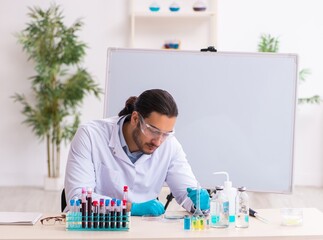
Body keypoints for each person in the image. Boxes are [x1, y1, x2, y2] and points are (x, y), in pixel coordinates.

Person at [64, 89, 209, 216]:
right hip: (93, 228)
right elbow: (77, 200)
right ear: (135, 118)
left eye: (166, 134)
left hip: (142, 230)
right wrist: (129, 208)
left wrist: (198, 203)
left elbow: (186, 193)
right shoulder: (90, 135)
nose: (158, 142)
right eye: (153, 131)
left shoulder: (170, 146)